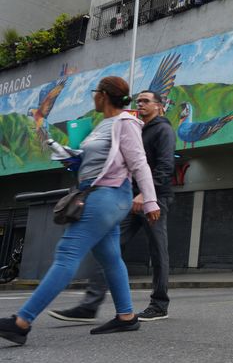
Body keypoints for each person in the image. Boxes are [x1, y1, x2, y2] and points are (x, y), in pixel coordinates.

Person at [0, 76, 160, 345]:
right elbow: (91, 160)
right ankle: (126, 316)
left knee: (66, 254)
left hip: (107, 196)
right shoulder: (103, 125)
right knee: (110, 257)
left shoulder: (126, 123)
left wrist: (151, 200)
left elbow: (139, 164)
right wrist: (66, 152)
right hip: (97, 194)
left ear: (104, 95)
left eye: (95, 92)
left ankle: (21, 322)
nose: (93, 96)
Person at [48, 90, 176, 323]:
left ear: (159, 107)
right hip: (127, 199)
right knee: (109, 250)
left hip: (154, 200)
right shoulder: (134, 127)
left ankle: (159, 304)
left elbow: (166, 167)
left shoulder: (163, 130)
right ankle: (90, 305)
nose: (141, 104)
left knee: (157, 250)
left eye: (146, 101)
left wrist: (147, 196)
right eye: (139, 101)